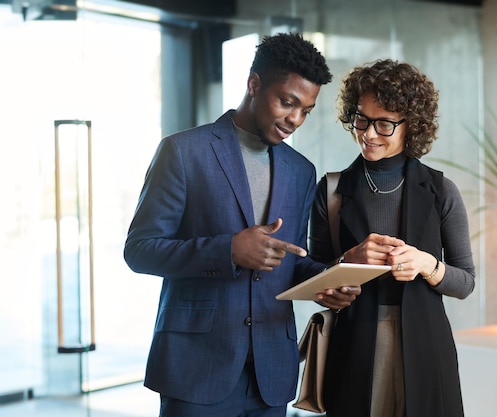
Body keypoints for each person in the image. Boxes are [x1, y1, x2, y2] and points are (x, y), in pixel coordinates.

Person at [124, 32, 358, 417]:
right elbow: (140, 250)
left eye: (306, 111)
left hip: (270, 371)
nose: (295, 120)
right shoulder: (183, 152)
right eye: (288, 103)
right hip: (196, 369)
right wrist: (228, 249)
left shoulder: (301, 172)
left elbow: (290, 260)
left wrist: (327, 281)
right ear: (254, 84)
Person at [309, 59, 476, 417]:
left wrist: (428, 265)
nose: (369, 134)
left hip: (427, 346)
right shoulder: (332, 190)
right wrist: (344, 265)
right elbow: (313, 275)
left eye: (384, 123)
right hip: (354, 345)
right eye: (362, 119)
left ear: (410, 126)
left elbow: (465, 282)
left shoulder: (440, 190)